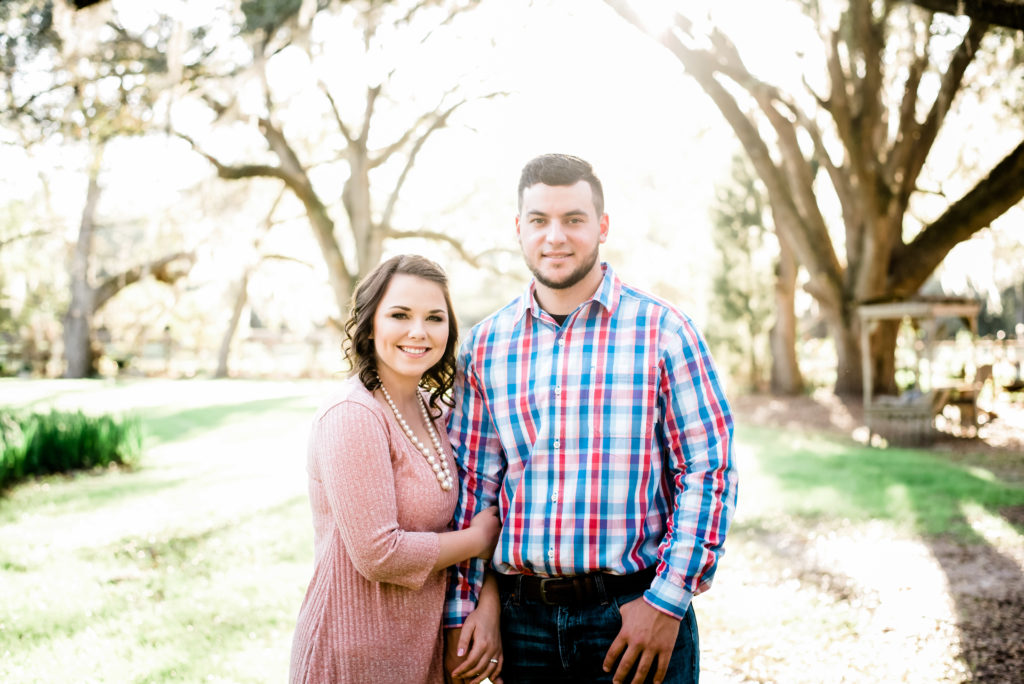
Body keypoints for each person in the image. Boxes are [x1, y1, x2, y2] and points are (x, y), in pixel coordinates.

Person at [443, 154, 737, 684]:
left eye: (573, 219)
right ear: (519, 229)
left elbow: (707, 472)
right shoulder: (486, 346)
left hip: (632, 618)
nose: (555, 237)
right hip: (520, 627)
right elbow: (474, 488)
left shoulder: (664, 333)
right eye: (539, 221)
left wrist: (667, 602)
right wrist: (467, 606)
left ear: (602, 226)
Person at [289, 254, 504, 684]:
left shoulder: (435, 412)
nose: (418, 331)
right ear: (370, 324)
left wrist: (489, 602)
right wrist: (478, 540)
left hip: (418, 653)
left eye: (434, 318)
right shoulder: (353, 414)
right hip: (352, 657)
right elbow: (379, 554)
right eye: (400, 315)